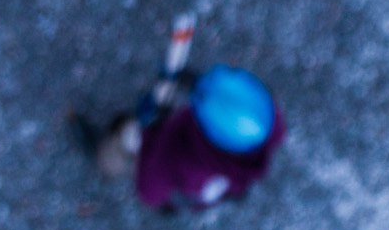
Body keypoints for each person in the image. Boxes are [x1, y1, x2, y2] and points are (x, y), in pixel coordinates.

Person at [76, 62, 286, 212]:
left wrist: (153, 128)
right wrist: (197, 83)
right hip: (208, 181)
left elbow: (149, 190)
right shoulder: (265, 124)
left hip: (158, 153)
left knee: (124, 146)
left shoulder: (183, 162)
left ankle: (104, 156)